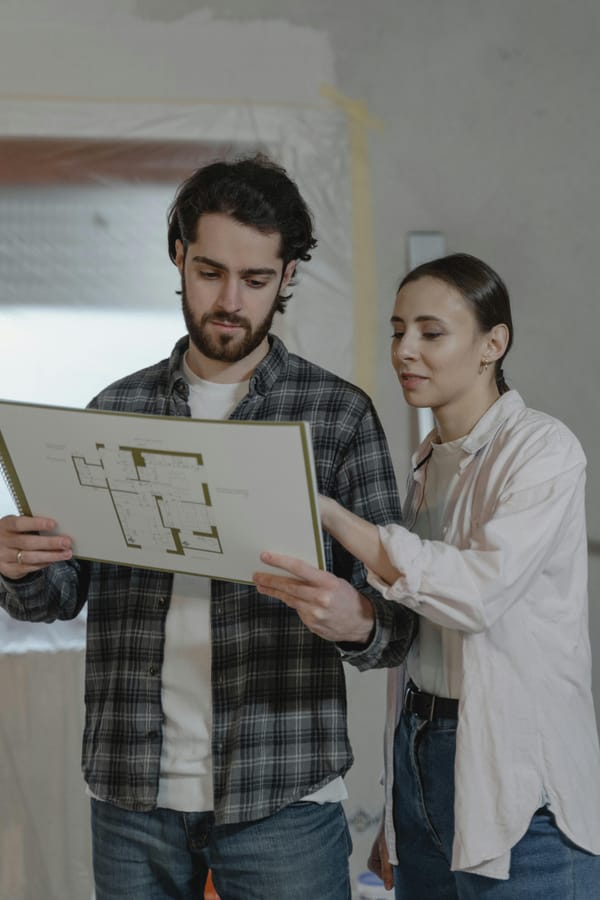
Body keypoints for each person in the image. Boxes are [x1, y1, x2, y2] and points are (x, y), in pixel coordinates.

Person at [0, 155, 417, 900]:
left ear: (288, 276)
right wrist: (18, 565)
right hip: (133, 792)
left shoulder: (339, 416)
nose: (230, 300)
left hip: (282, 793)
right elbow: (60, 595)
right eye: (210, 271)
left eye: (256, 280)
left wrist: (356, 619)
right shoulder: (114, 410)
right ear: (179, 257)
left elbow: (398, 620)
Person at [253, 252, 600, 899]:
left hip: (519, 772)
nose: (406, 350)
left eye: (431, 332)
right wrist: (395, 814)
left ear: (493, 343)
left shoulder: (543, 450)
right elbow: (414, 637)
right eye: (397, 330)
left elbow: (476, 593)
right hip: (421, 754)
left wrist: (329, 513)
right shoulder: (425, 463)